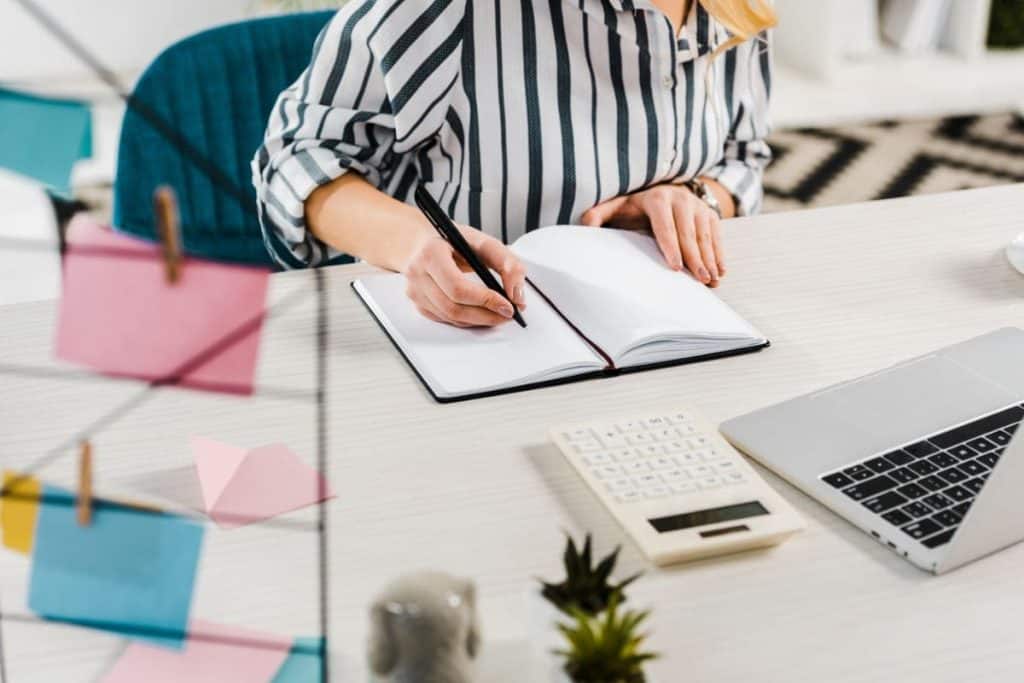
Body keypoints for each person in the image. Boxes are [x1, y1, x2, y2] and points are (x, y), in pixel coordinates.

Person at [254, 0, 775, 327]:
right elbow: (292, 161)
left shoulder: (737, 11)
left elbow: (744, 157)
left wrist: (696, 196)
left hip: (669, 334)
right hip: (482, 345)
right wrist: (411, 242)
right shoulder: (442, 11)